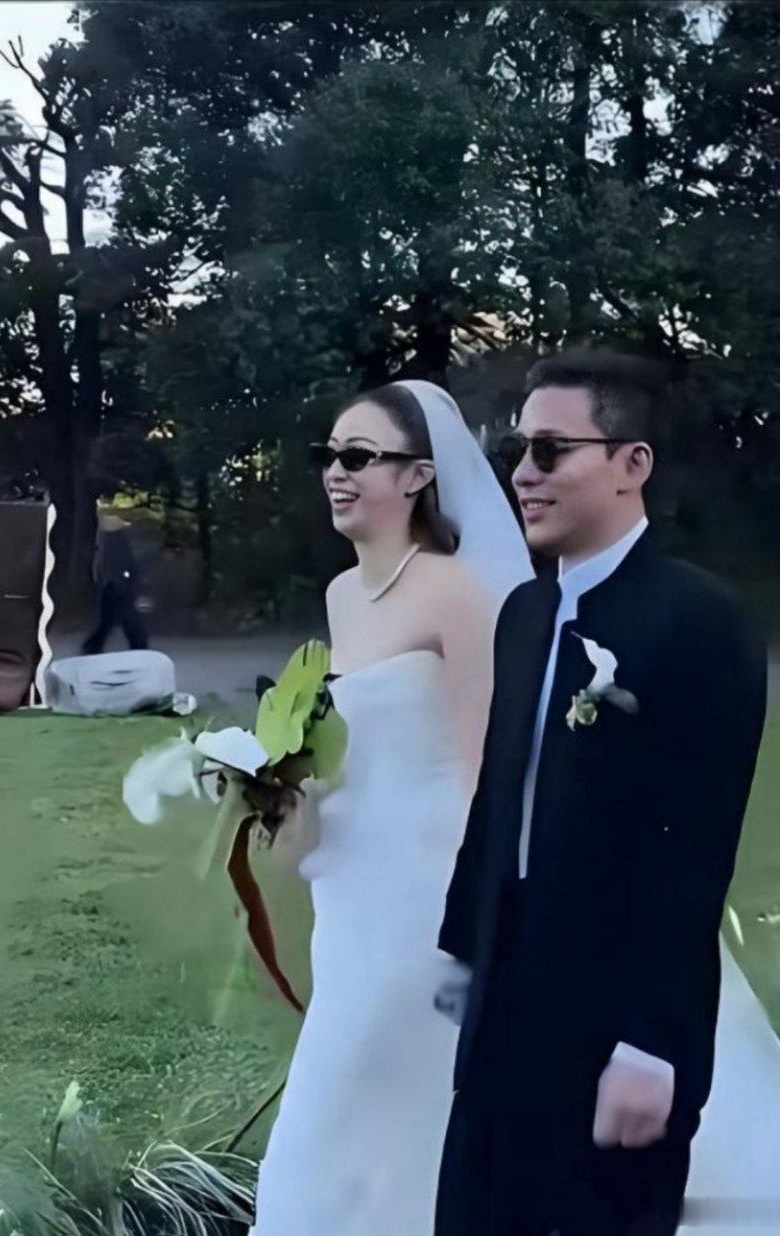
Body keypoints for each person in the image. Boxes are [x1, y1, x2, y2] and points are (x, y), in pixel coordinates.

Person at [434, 349, 765, 1235]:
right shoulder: (524, 615)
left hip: (616, 1012)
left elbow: (697, 848)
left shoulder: (700, 621)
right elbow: (501, 799)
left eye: (551, 450)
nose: (523, 473)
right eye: (518, 450)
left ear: (632, 463)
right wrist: (463, 951)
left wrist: (653, 1040)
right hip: (504, 1005)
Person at [249, 381, 534, 1235]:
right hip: (349, 893)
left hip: (425, 895)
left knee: (349, 1101)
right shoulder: (343, 595)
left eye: (359, 457)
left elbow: (493, 765)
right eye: (329, 456)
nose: (336, 473)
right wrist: (278, 787)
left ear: (418, 476)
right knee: (371, 1104)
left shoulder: (456, 592)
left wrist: (489, 911)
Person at [82, 508, 149, 655]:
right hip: (119, 585)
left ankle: (93, 645)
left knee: (111, 620)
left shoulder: (106, 541)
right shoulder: (118, 541)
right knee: (123, 618)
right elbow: (125, 562)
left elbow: (109, 564)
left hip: (112, 585)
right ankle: (138, 644)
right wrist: (129, 580)